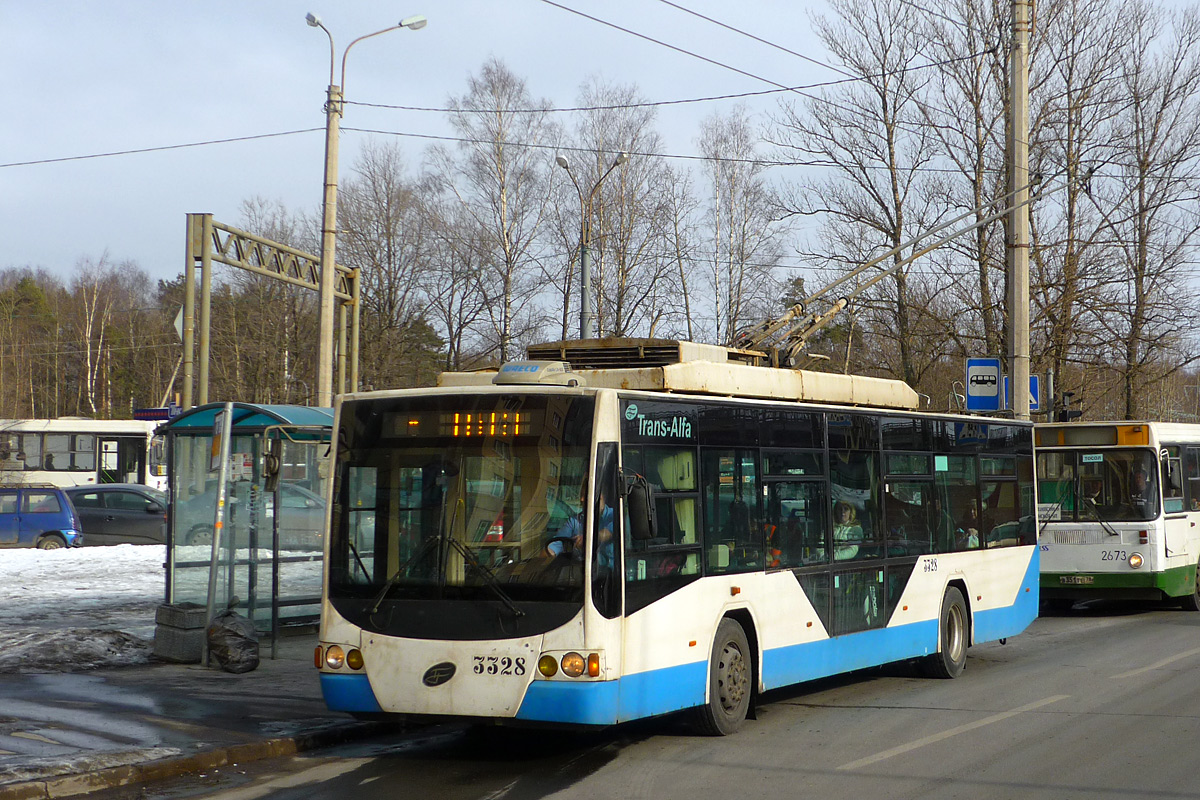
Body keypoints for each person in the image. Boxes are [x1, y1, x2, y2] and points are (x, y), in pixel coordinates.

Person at [548, 483, 614, 569]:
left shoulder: (615, 515)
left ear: (600, 496)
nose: (581, 499)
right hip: (583, 573)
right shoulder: (574, 521)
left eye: (585, 495)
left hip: (613, 573)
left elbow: (608, 533)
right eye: (581, 495)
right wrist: (544, 558)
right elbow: (556, 544)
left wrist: (588, 539)